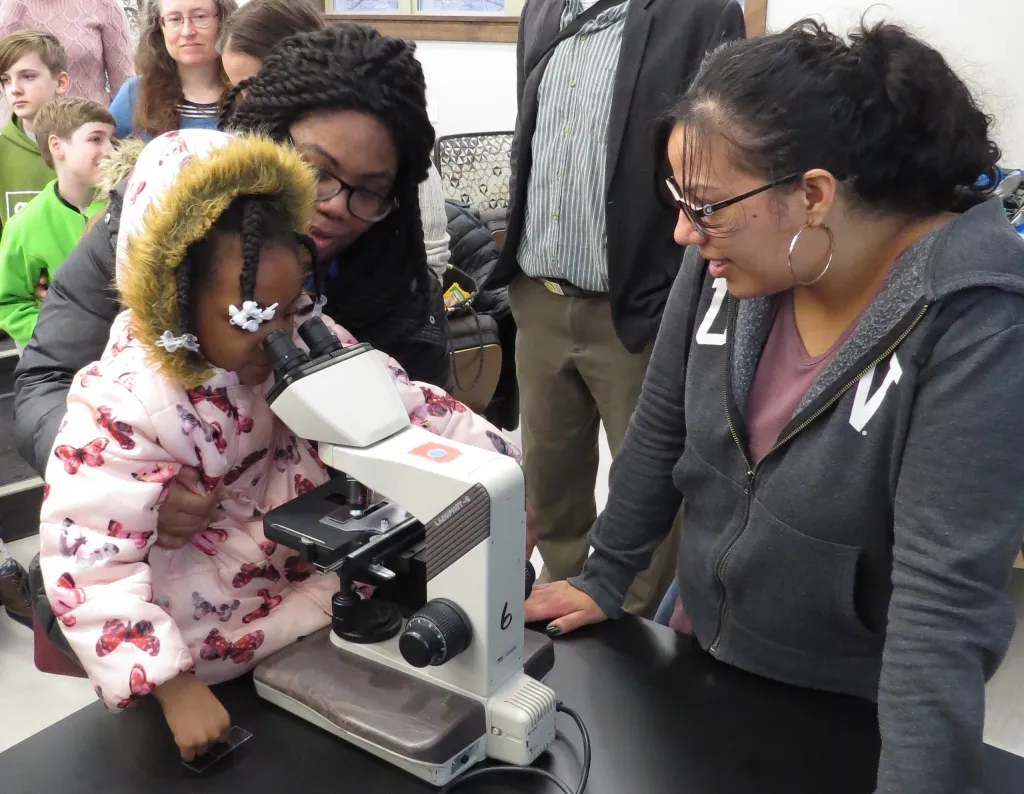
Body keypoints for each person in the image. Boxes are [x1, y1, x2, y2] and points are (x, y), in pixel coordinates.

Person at [526, 20, 1024, 794]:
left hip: (842, 703)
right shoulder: (729, 265)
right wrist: (606, 573)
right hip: (702, 649)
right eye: (678, 200)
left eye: (706, 206)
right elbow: (660, 430)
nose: (685, 233)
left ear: (814, 194)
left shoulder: (977, 321)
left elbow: (943, 611)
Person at [38, 128, 522, 760]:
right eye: (250, 319)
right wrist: (171, 685)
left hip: (318, 605)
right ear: (173, 303)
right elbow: (88, 560)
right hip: (204, 650)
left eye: (289, 306)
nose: (277, 337)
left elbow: (405, 404)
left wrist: (500, 477)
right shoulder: (127, 400)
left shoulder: (299, 329)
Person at [15, 23, 459, 563]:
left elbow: (423, 429)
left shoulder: (398, 289)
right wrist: (124, 481)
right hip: (146, 559)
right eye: (317, 170)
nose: (337, 205)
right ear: (264, 142)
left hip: (308, 566)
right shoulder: (155, 226)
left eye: (369, 191)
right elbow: (47, 377)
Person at [490, 0, 746, 617]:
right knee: (550, 489)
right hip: (540, 299)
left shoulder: (701, 14)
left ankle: (628, 636)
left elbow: (718, 161)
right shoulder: (542, 11)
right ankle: (558, 609)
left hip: (636, 308)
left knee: (650, 490)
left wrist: (676, 292)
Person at [215, 0, 450, 283]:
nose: (250, 103)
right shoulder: (246, 167)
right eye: (239, 88)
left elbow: (430, 264)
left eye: (261, 85)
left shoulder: (397, 157)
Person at [0, 96, 114, 351]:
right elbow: (8, 302)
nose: (109, 150)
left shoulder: (127, 206)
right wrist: (56, 332)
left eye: (111, 139)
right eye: (96, 139)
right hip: (63, 365)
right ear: (57, 146)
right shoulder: (25, 225)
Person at [109, 0, 237, 140]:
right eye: (175, 19)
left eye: (200, 17)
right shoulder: (135, 94)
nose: (187, 31)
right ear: (160, 26)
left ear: (224, 21)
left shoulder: (250, 92)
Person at [0, 0, 133, 117]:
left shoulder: (104, 6)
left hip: (87, 128)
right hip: (19, 133)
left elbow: (125, 88)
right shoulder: (9, 7)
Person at [0, 31, 69, 233]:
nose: (14, 89)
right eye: (5, 80)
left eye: (28, 76)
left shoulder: (91, 145)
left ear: (61, 82)